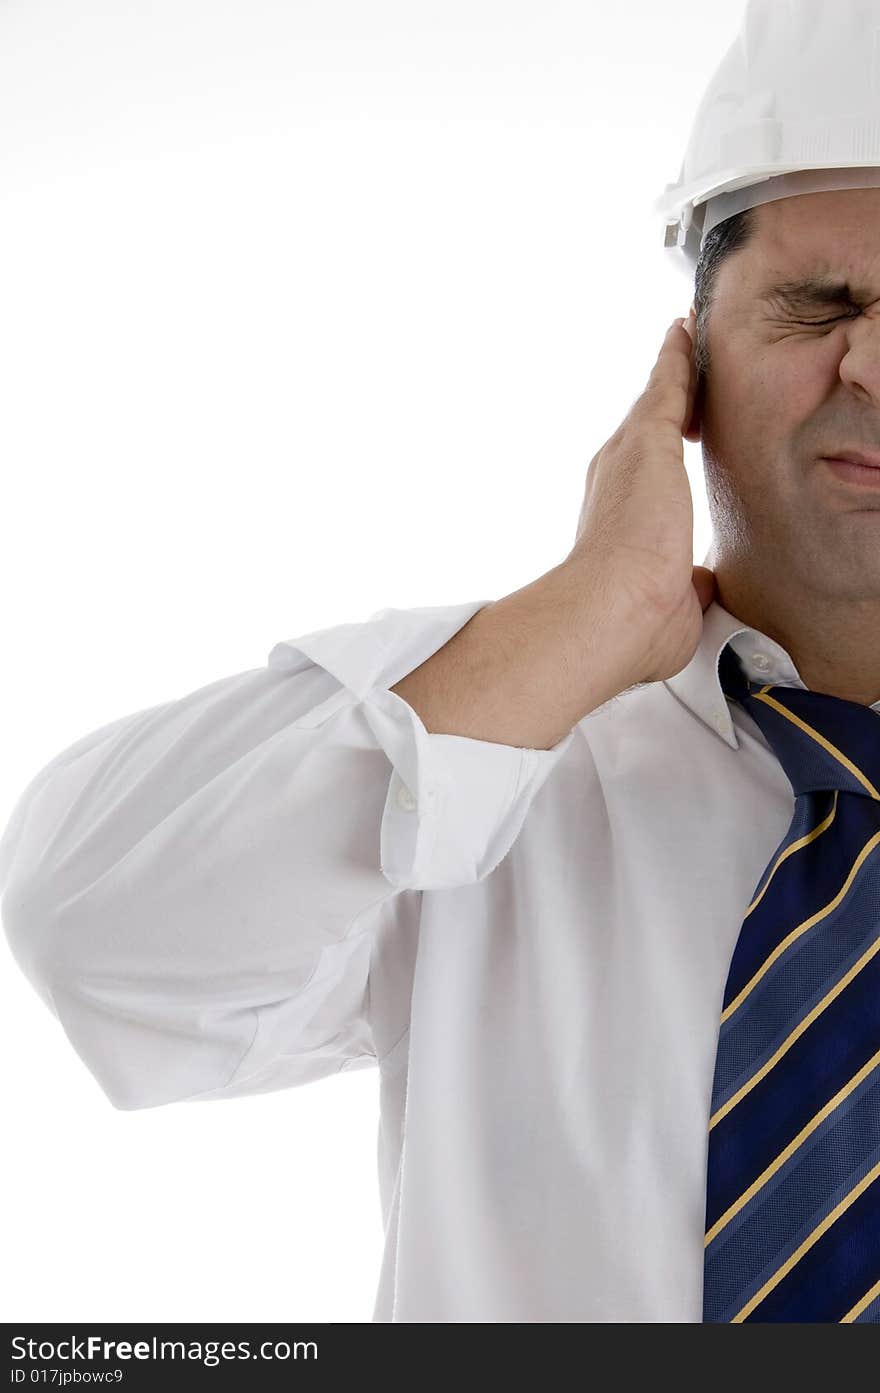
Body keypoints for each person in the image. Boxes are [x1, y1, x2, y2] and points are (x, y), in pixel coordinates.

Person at [3, 0, 880, 1322]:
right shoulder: (492, 740)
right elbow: (93, 927)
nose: (870, 363)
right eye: (818, 304)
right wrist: (587, 614)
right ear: (685, 360)